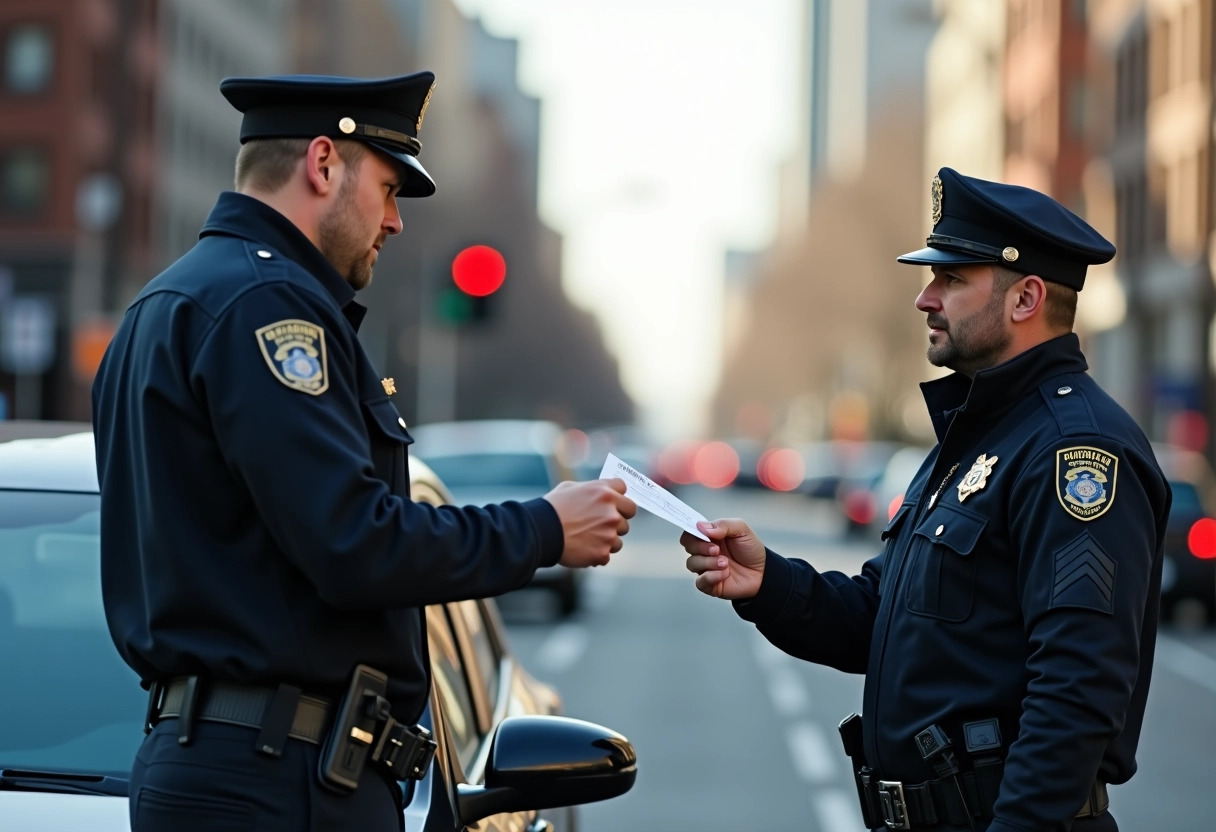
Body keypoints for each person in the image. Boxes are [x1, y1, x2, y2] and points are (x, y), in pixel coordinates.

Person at [92, 72, 636, 832]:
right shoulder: (269, 309)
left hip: (229, 765)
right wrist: (545, 529)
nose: (396, 221)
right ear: (323, 164)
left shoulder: (168, 303)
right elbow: (355, 542)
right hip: (280, 781)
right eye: (387, 187)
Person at [682, 167, 1170, 832]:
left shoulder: (1074, 450)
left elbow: (1076, 692)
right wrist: (768, 582)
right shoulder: (974, 439)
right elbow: (882, 617)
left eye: (951, 279)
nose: (924, 298)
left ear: (1026, 298)